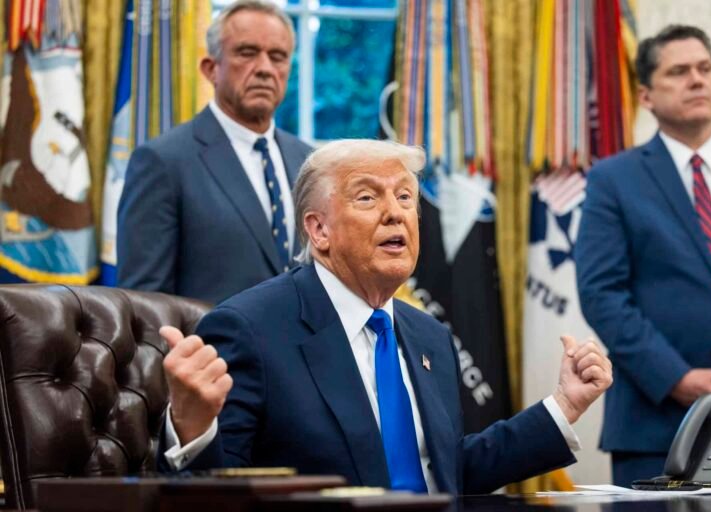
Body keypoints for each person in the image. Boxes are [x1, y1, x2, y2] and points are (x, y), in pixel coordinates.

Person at [156, 139, 613, 494]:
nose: (396, 213)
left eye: (406, 197)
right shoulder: (249, 329)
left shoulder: (429, 335)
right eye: (367, 198)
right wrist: (193, 428)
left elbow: (448, 472)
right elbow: (218, 493)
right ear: (319, 229)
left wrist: (564, 405)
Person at [575, 24, 711, 487]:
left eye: (705, 69)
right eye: (679, 72)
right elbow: (602, 293)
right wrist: (675, 377)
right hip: (655, 421)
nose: (696, 80)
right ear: (646, 95)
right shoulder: (612, 180)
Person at [117, 0, 311, 304]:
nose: (264, 68)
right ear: (211, 69)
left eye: (278, 57)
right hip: (207, 337)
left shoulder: (309, 161)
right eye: (247, 53)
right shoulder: (163, 162)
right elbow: (145, 303)